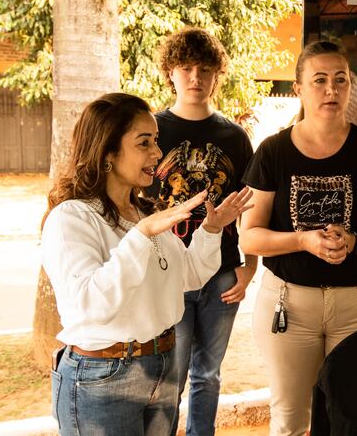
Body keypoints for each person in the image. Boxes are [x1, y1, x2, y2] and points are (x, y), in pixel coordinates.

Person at [41, 92, 252, 436]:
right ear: (107, 151)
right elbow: (90, 305)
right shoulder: (72, 218)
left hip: (162, 368)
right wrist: (140, 237)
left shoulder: (145, 213)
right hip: (103, 378)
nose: (157, 153)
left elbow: (188, 276)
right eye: (144, 143)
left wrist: (212, 229)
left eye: (155, 140)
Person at [239, 40, 357, 436]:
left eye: (340, 80)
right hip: (289, 305)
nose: (331, 90)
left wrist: (355, 242)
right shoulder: (273, 152)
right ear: (298, 89)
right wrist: (303, 241)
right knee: (290, 420)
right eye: (319, 80)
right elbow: (250, 238)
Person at [147, 27, 257, 436]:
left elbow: (250, 205)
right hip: (166, 271)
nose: (195, 77)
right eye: (186, 68)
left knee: (207, 374)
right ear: (170, 73)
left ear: (217, 75)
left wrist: (251, 266)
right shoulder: (152, 130)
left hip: (222, 273)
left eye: (205, 69)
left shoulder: (234, 136)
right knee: (169, 377)